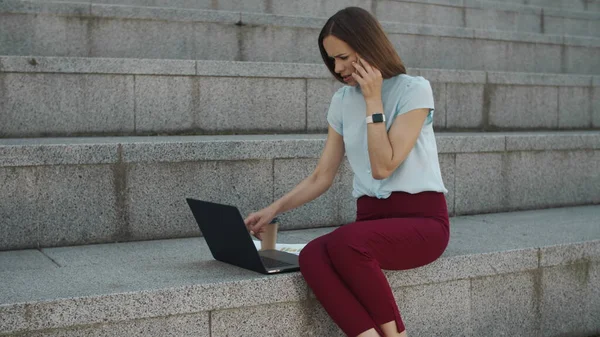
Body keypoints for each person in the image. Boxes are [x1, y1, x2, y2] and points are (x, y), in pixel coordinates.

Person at [244, 7, 450, 337]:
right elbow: (321, 176)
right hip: (370, 225)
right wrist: (273, 209)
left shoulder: (414, 90)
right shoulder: (341, 101)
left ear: (367, 47)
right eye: (332, 61)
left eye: (343, 58)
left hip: (422, 223)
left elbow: (383, 166)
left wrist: (373, 101)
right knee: (312, 255)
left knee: (345, 242)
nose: (338, 69)